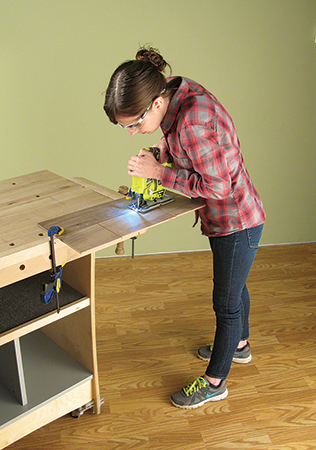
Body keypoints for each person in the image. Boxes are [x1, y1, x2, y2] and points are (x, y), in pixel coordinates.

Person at [103, 45, 265, 409]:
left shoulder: (192, 121)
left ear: (155, 105)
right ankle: (239, 345)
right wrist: (163, 146)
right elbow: (182, 137)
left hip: (235, 220)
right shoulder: (175, 89)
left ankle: (215, 381)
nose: (132, 133)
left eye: (134, 125)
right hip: (232, 216)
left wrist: (160, 173)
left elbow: (218, 188)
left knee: (224, 304)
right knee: (233, 286)